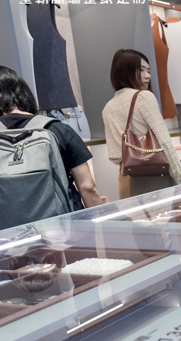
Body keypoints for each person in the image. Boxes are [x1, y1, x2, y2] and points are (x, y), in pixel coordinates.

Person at [0, 65, 107, 227]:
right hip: (63, 229)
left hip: (8, 234)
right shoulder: (58, 129)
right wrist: (102, 222)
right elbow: (88, 187)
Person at [102, 49, 181, 199]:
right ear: (125, 71)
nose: (147, 76)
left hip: (126, 180)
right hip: (154, 178)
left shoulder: (108, 107)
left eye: (148, 71)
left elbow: (115, 155)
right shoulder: (144, 97)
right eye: (141, 70)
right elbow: (165, 143)